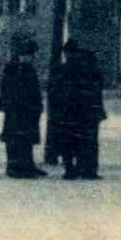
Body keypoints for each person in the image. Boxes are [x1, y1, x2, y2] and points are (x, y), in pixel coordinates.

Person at [50, 41, 106, 179]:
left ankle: (70, 170)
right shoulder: (88, 70)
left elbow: (55, 91)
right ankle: (87, 170)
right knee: (87, 142)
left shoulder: (62, 69)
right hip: (85, 113)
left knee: (68, 141)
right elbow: (96, 92)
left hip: (67, 112)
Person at [0, 39, 45, 178]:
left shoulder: (27, 68)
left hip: (27, 111)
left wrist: (37, 105)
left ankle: (28, 165)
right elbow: (10, 91)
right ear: (24, 54)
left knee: (26, 139)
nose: (33, 58)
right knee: (16, 139)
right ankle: (14, 168)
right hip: (16, 112)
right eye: (31, 55)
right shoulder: (13, 69)